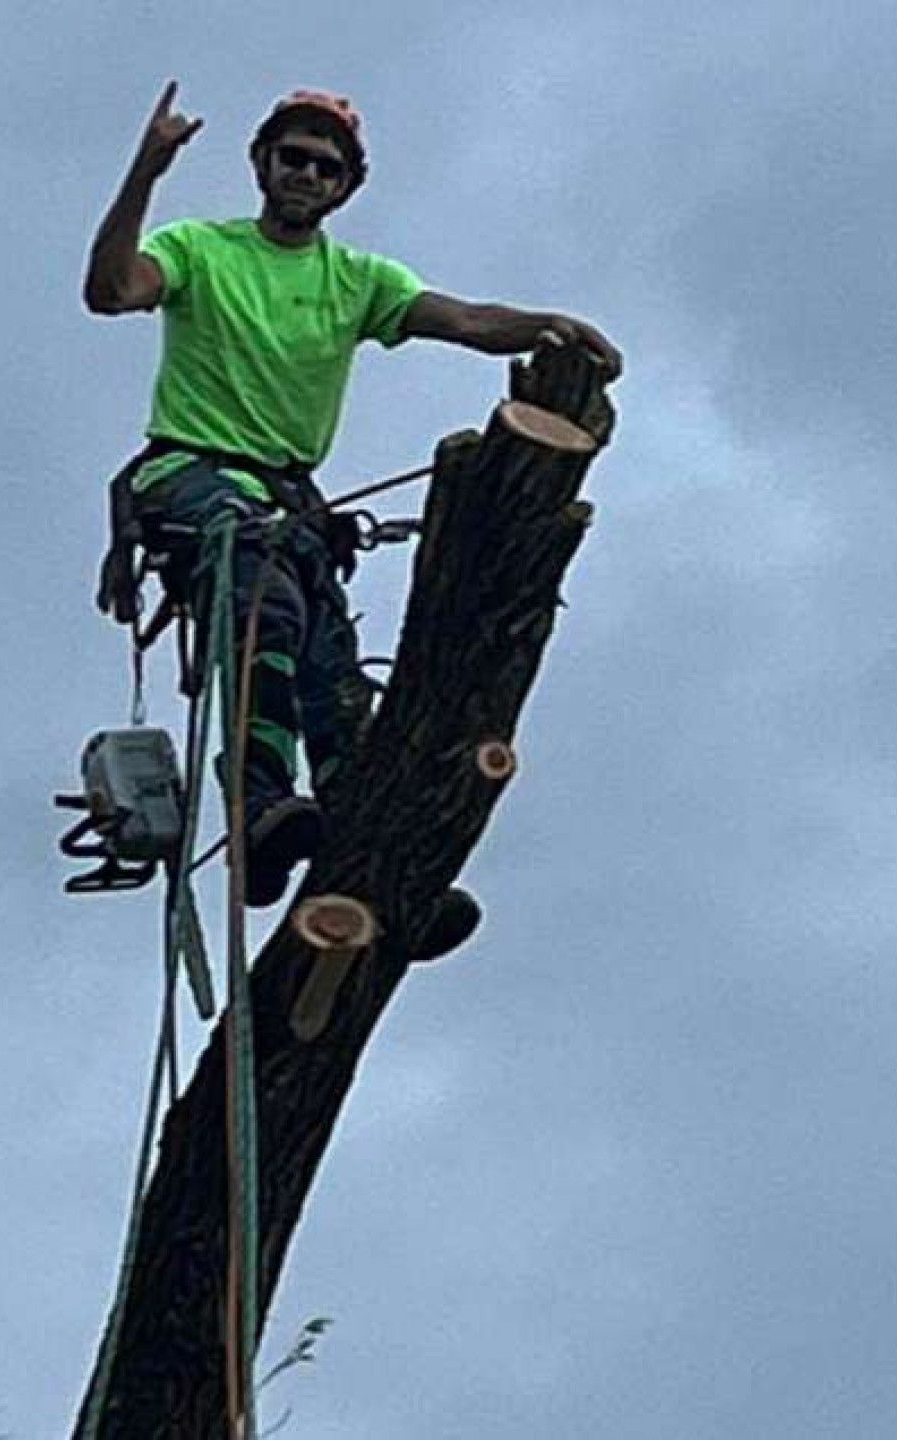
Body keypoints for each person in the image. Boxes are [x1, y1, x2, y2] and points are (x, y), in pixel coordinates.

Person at [83, 83, 621, 915]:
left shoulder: (355, 279)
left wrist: (550, 327)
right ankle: (259, 803)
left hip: (289, 496)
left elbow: (468, 320)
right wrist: (144, 173)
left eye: (324, 165)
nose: (305, 172)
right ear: (262, 163)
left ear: (344, 186)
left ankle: (370, 853)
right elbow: (112, 289)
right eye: (292, 156)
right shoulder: (199, 248)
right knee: (264, 591)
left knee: (333, 669)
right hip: (193, 471)